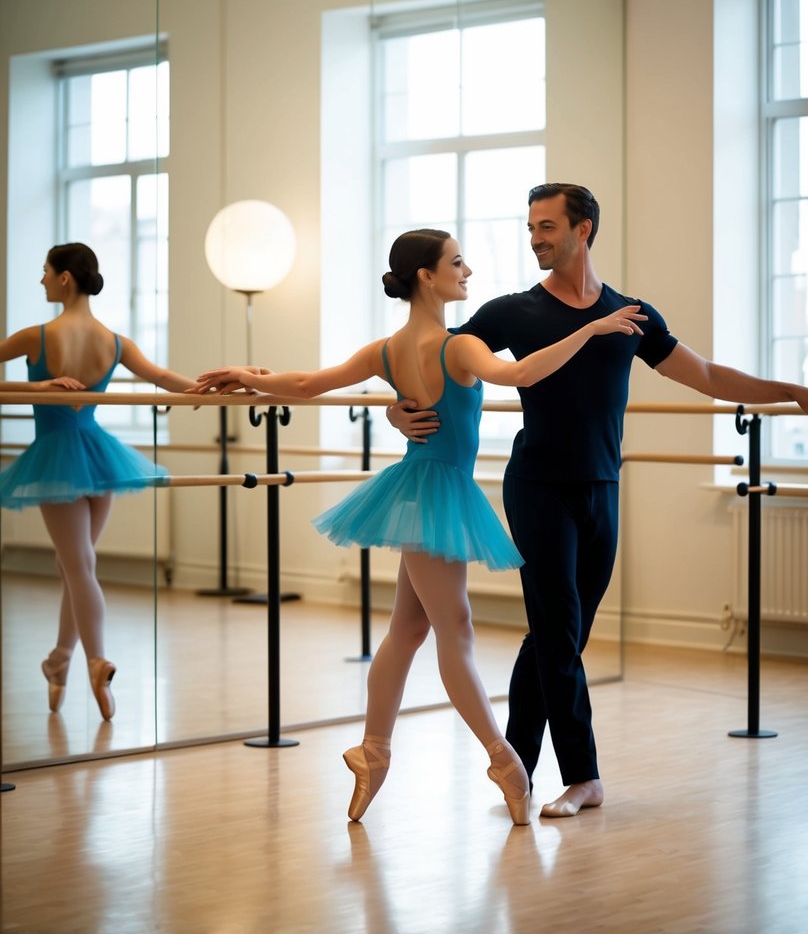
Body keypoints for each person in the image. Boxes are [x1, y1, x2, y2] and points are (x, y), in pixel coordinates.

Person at [389, 184, 808, 819]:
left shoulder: (631, 314)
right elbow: (431, 358)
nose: (535, 237)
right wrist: (398, 410)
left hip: (601, 488)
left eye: (546, 226)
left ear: (583, 229)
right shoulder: (512, 311)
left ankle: (515, 763)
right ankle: (583, 777)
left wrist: (791, 390)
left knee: (556, 633)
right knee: (559, 630)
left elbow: (704, 375)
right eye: (531, 227)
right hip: (537, 486)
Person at [190, 228, 645, 824]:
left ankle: (373, 751)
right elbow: (522, 376)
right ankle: (505, 760)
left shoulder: (389, 348)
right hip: (438, 492)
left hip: (419, 488)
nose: (468, 272)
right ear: (427, 276)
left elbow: (305, 385)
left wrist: (250, 377)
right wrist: (589, 329)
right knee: (454, 631)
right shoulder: (457, 347)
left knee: (407, 631)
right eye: (457, 263)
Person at [0, 243, 195, 720]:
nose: (41, 280)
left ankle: (94, 659)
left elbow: (163, 376)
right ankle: (59, 660)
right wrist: (215, 386)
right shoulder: (114, 341)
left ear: (65, 278)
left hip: (59, 456)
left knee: (79, 566)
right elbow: (166, 377)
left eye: (44, 272)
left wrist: (36, 387)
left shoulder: (36, 336)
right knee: (79, 566)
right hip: (99, 455)